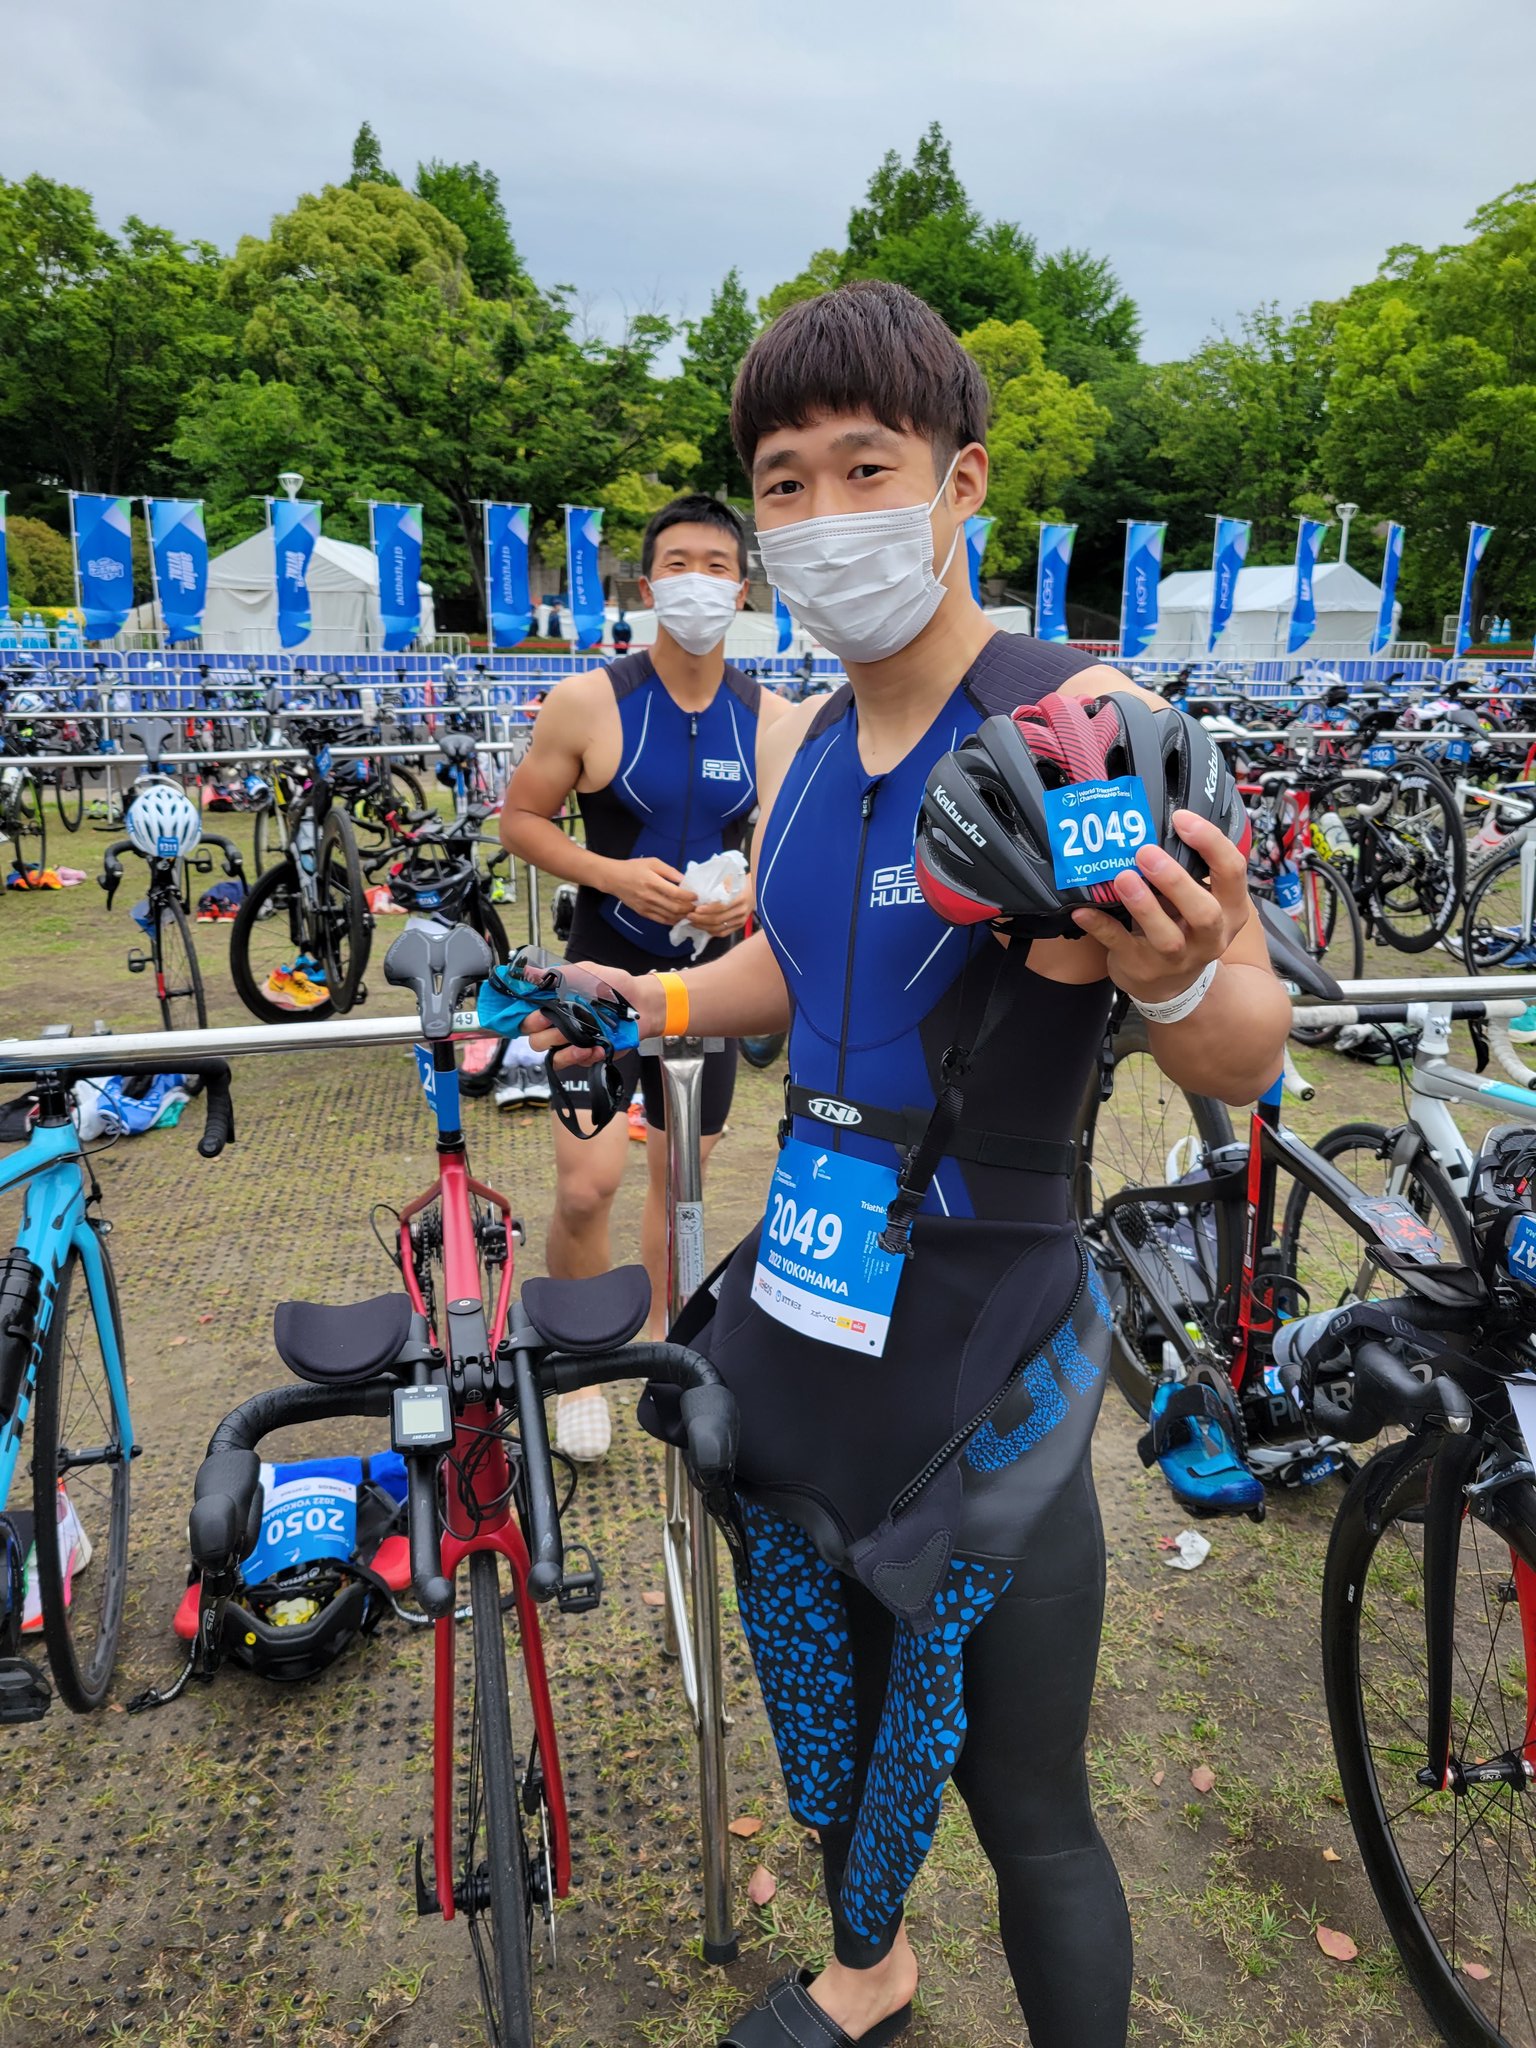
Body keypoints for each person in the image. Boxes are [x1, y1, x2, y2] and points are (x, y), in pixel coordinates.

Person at [525, 282, 1290, 2046]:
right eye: (781, 484)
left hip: (982, 1341)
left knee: (1029, 1802)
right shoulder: (796, 739)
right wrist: (647, 994)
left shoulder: (1077, 723)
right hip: (803, 1310)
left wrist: (1183, 971)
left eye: (864, 468)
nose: (819, 518)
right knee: (827, 1708)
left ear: (962, 481)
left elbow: (1241, 1044)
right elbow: (803, 967)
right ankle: (869, 1964)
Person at [501, 492, 787, 1462]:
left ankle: (670, 1351)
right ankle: (581, 1361)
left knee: (682, 1187)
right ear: (647, 583)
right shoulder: (589, 701)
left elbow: (777, 847)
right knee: (588, 1186)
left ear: (742, 590)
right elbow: (521, 820)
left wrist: (743, 902)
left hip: (705, 989)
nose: (697, 581)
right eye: (679, 563)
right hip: (598, 975)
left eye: (717, 565)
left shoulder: (770, 718)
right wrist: (613, 873)